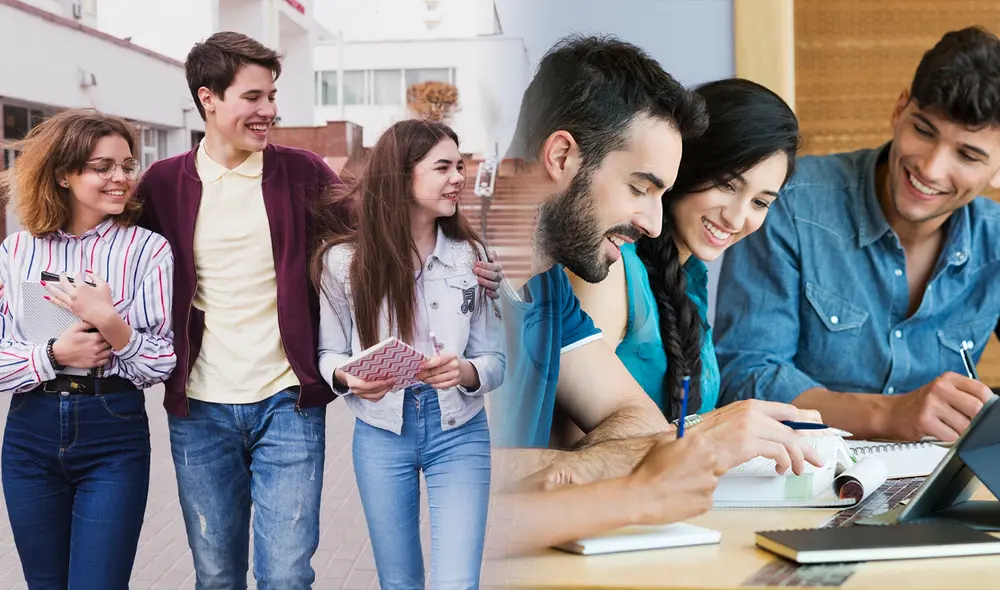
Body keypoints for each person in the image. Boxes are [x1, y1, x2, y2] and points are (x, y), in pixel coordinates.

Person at [134, 31, 503, 587]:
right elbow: (115, 254)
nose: (270, 110)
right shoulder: (164, 184)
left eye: (273, 95)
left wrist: (475, 266)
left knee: (286, 575)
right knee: (215, 574)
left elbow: (381, 224)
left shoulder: (302, 173)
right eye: (254, 97)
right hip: (201, 410)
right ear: (208, 98)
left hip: (289, 404)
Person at [487, 36, 824, 556]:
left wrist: (672, 447)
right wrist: (670, 453)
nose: (653, 222)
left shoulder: (549, 285)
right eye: (640, 189)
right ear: (560, 156)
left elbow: (633, 417)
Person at [715, 26, 1000, 443]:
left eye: (967, 155)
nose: (931, 168)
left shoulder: (994, 239)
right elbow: (745, 375)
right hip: (804, 479)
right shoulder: (789, 204)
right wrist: (889, 415)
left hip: (935, 488)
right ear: (899, 110)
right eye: (923, 131)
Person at [315, 119, 504, 590]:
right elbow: (328, 351)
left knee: (457, 583)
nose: (458, 177)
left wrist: (465, 370)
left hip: (459, 431)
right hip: (381, 433)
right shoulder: (344, 263)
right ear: (401, 176)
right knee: (399, 583)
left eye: (460, 166)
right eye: (443, 167)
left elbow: (496, 359)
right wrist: (345, 376)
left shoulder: (472, 256)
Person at [560, 78, 799, 444]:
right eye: (727, 185)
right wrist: (714, 430)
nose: (736, 219)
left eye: (760, 203)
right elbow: (567, 449)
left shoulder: (691, 280)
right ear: (686, 165)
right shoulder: (609, 268)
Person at [0, 110, 174, 588]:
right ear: (63, 173)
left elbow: (160, 361)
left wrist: (109, 322)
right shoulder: (17, 253)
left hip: (112, 432)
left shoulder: (148, 250)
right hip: (27, 436)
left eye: (127, 165)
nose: (121, 178)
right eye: (103, 167)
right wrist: (54, 355)